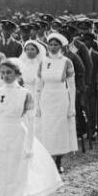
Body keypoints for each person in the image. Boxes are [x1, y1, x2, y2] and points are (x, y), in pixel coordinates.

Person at [0, 58, 62, 196]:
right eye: (3, 72)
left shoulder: (24, 93)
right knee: (1, 171)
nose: (5, 76)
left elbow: (31, 120)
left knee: (15, 171)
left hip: (17, 134)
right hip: (0, 134)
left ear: (18, 74)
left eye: (9, 72)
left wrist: (29, 144)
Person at [36, 33, 78, 173]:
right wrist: (37, 105)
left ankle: (58, 161)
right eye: (51, 44)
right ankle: (48, 161)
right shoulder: (43, 62)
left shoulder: (67, 62)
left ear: (61, 46)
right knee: (47, 129)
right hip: (46, 98)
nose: (53, 47)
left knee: (59, 129)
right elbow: (38, 85)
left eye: (56, 45)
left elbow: (71, 86)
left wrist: (72, 106)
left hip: (61, 98)